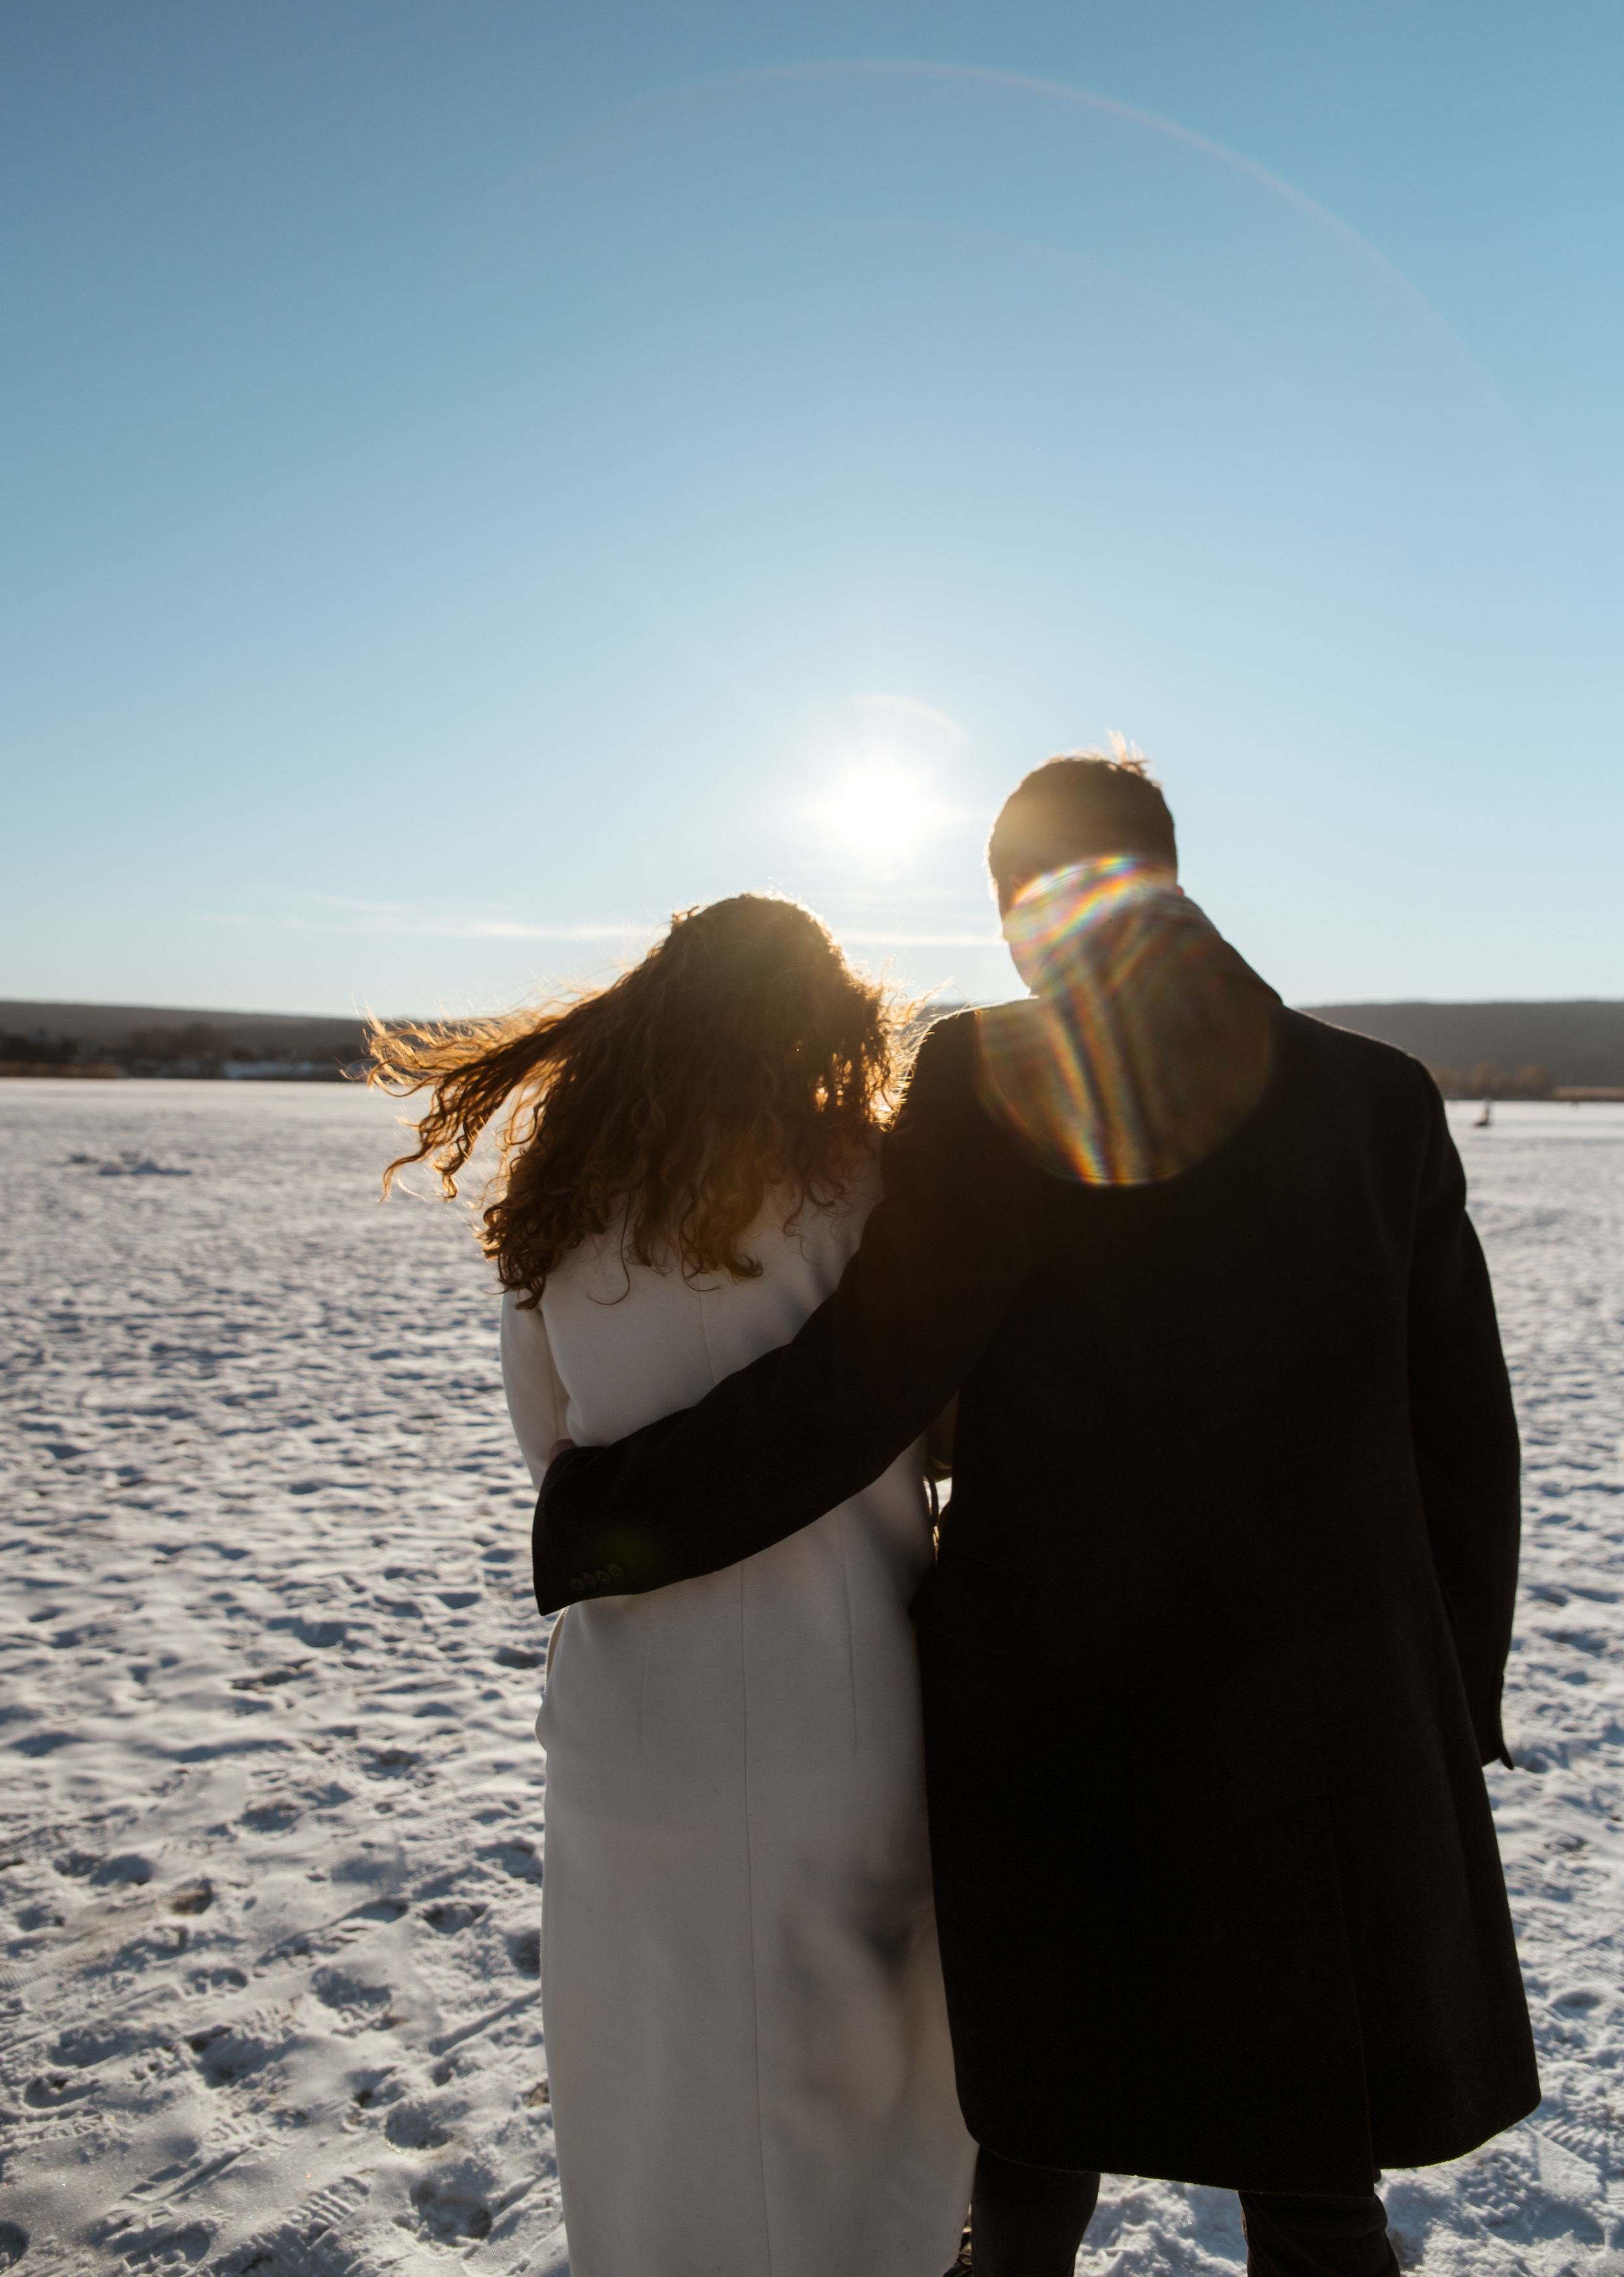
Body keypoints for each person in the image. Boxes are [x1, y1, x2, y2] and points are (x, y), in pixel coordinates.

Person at [532, 751, 1539, 2277]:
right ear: (1167, 873)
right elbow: (1465, 1445)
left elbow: (867, 1380)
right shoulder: (1375, 1098)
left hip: (1065, 1722)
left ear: (1020, 903)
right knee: (1315, 2183)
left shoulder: (992, 1074)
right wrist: (1438, 1701)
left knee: (1028, 2165)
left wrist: (612, 1522)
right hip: (1325, 1719)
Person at [369, 896, 976, 2277]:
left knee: (656, 2099)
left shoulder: (558, 1203)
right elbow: (933, 1416)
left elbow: (558, 1447)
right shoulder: (859, 1183)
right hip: (843, 1708)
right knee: (856, 2100)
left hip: (627, 1724)